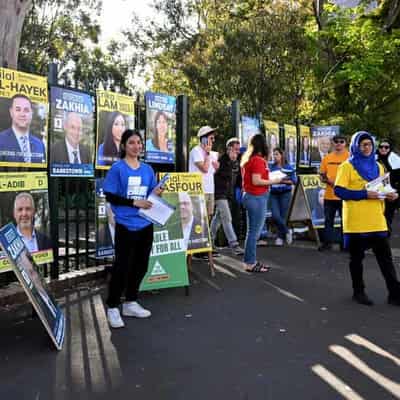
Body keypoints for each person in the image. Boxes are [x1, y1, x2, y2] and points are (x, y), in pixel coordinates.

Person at [103, 129, 163, 328]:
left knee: (141, 265)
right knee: (121, 267)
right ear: (123, 146)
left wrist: (156, 192)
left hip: (145, 223)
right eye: (132, 143)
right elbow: (110, 195)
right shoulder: (117, 168)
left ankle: (130, 302)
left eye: (139, 143)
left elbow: (150, 195)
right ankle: (112, 306)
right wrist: (133, 202)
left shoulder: (147, 169)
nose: (136, 146)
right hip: (125, 224)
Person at [334, 131, 400, 306]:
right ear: (356, 146)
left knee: (385, 258)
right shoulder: (346, 167)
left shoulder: (378, 166)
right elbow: (339, 191)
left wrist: (391, 195)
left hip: (376, 220)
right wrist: (364, 194)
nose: (367, 147)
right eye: (363, 144)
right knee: (356, 259)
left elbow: (382, 189)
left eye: (369, 144)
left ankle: (395, 294)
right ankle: (359, 291)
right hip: (356, 222)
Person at [240, 134, 282, 272]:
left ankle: (249, 262)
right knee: (254, 233)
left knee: (251, 232)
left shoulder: (248, 159)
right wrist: (274, 181)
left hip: (250, 197)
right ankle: (250, 263)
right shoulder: (258, 160)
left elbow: (253, 179)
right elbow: (256, 181)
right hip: (257, 198)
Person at [210, 137, 244, 255]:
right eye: (236, 149)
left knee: (218, 218)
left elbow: (238, 178)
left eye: (238, 150)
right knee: (227, 218)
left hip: (228, 193)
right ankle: (234, 244)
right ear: (229, 149)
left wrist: (240, 188)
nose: (237, 152)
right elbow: (223, 174)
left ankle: (209, 242)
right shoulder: (222, 160)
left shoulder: (237, 161)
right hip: (219, 193)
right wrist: (231, 162)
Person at [318, 134, 349, 251]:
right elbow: (321, 175)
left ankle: (344, 244)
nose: (339, 144)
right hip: (329, 195)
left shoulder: (350, 158)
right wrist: (325, 179)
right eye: (336, 141)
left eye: (341, 141)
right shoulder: (327, 158)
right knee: (328, 221)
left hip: (344, 195)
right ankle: (327, 243)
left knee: (345, 222)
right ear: (333, 143)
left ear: (345, 143)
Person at [188, 125, 219, 230]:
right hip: (198, 189)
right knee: (199, 216)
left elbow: (211, 172)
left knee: (209, 215)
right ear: (203, 138)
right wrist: (207, 154)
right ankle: (198, 241)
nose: (213, 140)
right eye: (211, 138)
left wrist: (216, 168)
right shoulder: (195, 151)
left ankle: (207, 239)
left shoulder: (212, 154)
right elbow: (204, 169)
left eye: (213, 138)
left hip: (210, 188)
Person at [0, 94, 46, 164]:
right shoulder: (1, 139)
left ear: (31, 113)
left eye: (26, 110)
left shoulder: (39, 144)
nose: (22, 114)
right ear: (11, 112)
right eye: (18, 109)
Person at [269, 148, 297, 246]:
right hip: (274, 193)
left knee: (283, 216)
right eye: (273, 154)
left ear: (282, 155)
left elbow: (294, 181)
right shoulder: (271, 167)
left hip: (285, 193)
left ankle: (280, 237)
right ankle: (287, 231)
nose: (274, 156)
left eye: (276, 154)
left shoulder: (288, 167)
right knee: (275, 215)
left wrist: (281, 181)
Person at [376, 139, 400, 232]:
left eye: (386, 147)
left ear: (390, 148)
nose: (383, 149)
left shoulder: (396, 161)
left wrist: (397, 193)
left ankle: (385, 240)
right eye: (381, 147)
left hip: (390, 195)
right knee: (376, 218)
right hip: (375, 194)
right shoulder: (372, 159)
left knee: (387, 219)